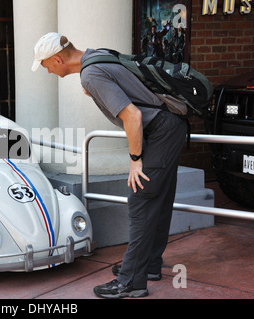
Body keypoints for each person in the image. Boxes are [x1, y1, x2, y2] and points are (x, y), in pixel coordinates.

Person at [31, 32, 187, 299]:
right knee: (157, 200)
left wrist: (135, 160)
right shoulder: (96, 57)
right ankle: (147, 265)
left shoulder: (91, 75)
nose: (46, 72)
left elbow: (134, 116)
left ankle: (131, 282)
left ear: (57, 59)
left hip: (159, 131)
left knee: (141, 200)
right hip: (170, 125)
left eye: (45, 65)